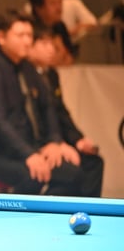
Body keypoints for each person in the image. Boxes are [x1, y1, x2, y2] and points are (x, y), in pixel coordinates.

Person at [0, 9, 85, 196]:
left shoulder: (28, 68)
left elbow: (47, 107)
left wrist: (54, 141)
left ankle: (48, 213)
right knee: (33, 175)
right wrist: (28, 154)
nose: (26, 41)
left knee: (74, 173)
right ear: (1, 37)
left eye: (29, 35)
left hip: (26, 148)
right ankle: (14, 213)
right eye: (20, 35)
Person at [27, 24, 103, 197]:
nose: (51, 49)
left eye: (52, 44)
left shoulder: (51, 74)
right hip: (39, 144)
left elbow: (60, 112)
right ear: (31, 47)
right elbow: (33, 119)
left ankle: (87, 210)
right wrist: (56, 143)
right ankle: (49, 209)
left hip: (56, 140)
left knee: (94, 163)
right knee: (73, 174)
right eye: (44, 44)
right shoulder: (25, 75)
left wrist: (77, 140)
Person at [29, 0, 76, 66]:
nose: (59, 8)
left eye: (60, 2)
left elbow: (70, 57)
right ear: (38, 8)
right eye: (53, 3)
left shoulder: (60, 26)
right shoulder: (28, 28)